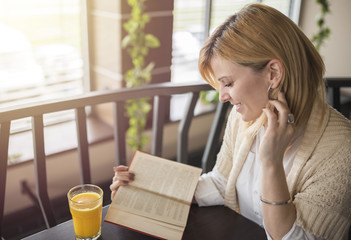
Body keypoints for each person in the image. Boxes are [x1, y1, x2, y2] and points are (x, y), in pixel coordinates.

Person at [110, 3, 351, 240]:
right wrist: (149, 188)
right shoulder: (244, 117)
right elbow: (222, 181)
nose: (222, 96)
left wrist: (271, 163)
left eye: (228, 83)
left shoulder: (342, 151)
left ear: (273, 74)